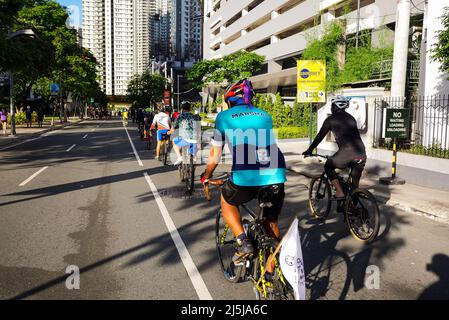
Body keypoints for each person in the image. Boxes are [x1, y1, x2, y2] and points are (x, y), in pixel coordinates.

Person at [200, 79, 287, 281]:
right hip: (275, 171)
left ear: (230, 100)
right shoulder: (264, 115)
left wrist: (207, 175)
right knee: (270, 221)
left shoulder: (223, 116)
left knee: (227, 200)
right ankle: (270, 269)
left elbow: (215, 153)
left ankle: (243, 241)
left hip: (246, 174)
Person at [302, 95, 367, 200]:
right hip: (361, 153)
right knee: (354, 187)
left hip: (347, 153)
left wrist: (309, 150)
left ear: (336, 106)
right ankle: (353, 210)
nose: (331, 108)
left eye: (332, 106)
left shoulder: (331, 119)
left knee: (328, 166)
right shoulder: (351, 118)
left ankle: (340, 192)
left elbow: (320, 136)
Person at [168, 101, 201, 166]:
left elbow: (173, 128)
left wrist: (168, 132)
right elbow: (199, 128)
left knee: (174, 141)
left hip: (184, 140)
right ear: (190, 108)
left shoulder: (179, 116)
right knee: (194, 158)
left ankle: (179, 157)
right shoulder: (195, 116)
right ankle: (192, 173)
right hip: (195, 140)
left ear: (182, 109)